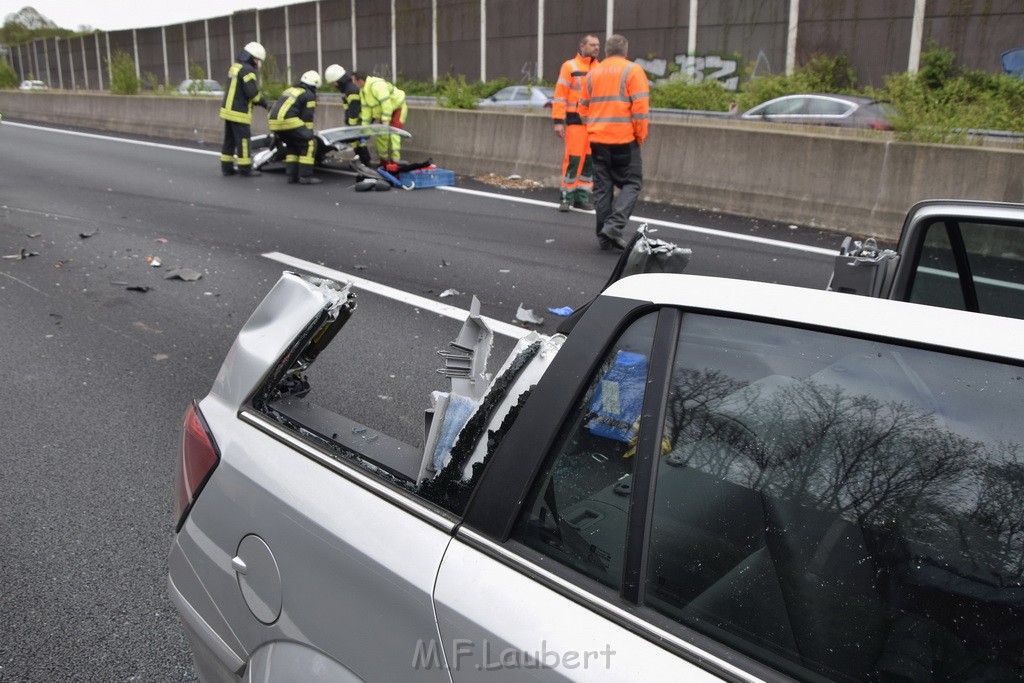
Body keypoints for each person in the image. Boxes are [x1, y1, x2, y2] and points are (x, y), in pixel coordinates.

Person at [579, 34, 649, 250]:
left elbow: (582, 108)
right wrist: (639, 136)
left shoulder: (592, 73)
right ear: (625, 51)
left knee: (603, 190)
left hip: (598, 140)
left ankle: (604, 236)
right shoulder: (633, 70)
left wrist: (592, 130)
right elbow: (640, 110)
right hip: (624, 140)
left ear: (606, 52)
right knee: (633, 182)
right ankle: (614, 226)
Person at [552, 33, 600, 212]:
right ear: (582, 46)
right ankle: (566, 197)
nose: (596, 48)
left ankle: (581, 197)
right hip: (575, 122)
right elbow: (560, 95)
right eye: (593, 45)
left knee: (589, 161)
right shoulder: (570, 66)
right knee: (573, 160)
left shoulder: (600, 68)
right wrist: (558, 120)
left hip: (594, 124)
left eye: (598, 45)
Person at [219, 41, 269, 177]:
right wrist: (266, 104)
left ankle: (227, 167)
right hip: (239, 112)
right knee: (244, 141)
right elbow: (252, 93)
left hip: (228, 110)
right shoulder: (248, 71)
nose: (259, 63)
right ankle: (245, 169)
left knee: (229, 141)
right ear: (254, 58)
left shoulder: (235, 67)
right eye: (259, 60)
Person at [268, 70, 323, 185]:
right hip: (288, 121)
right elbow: (307, 117)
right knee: (309, 143)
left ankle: (292, 176)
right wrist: (309, 133)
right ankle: (305, 176)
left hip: (273, 122)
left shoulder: (290, 90)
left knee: (292, 145)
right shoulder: (309, 95)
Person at [350, 71, 407, 168]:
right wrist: (365, 129)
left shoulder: (376, 85)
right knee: (381, 137)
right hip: (385, 112)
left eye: (354, 81)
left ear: (359, 81)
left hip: (398, 107)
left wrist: (385, 121)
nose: (353, 84)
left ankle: (395, 162)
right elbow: (366, 111)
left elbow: (386, 103)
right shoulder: (363, 91)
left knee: (394, 134)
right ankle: (384, 162)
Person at [324, 64, 372, 168]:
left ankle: (365, 162)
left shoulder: (350, 89)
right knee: (357, 142)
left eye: (333, 82)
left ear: (337, 80)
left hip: (359, 119)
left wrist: (352, 123)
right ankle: (361, 161)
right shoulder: (347, 88)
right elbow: (348, 106)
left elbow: (354, 108)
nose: (333, 85)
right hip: (357, 119)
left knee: (359, 141)